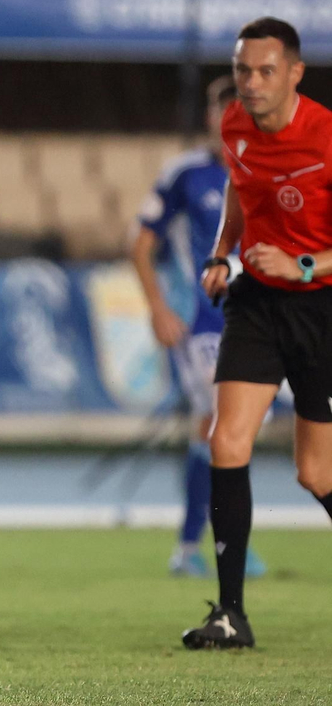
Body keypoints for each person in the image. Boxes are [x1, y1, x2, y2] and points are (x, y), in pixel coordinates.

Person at [183, 17, 332, 649]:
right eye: (243, 69)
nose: (251, 82)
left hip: (321, 306)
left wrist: (302, 264)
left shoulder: (327, 135)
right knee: (226, 441)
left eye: (266, 70)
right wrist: (223, 255)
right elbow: (239, 201)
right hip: (257, 304)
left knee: (316, 475)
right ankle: (230, 615)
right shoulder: (234, 126)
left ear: (295, 73)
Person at [129, 76, 266, 579]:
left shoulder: (272, 172)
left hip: (261, 323)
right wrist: (157, 307)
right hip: (204, 325)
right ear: (211, 117)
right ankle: (200, 546)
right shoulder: (185, 174)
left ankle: (210, 541)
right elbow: (140, 244)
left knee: (236, 433)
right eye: (221, 110)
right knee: (219, 425)